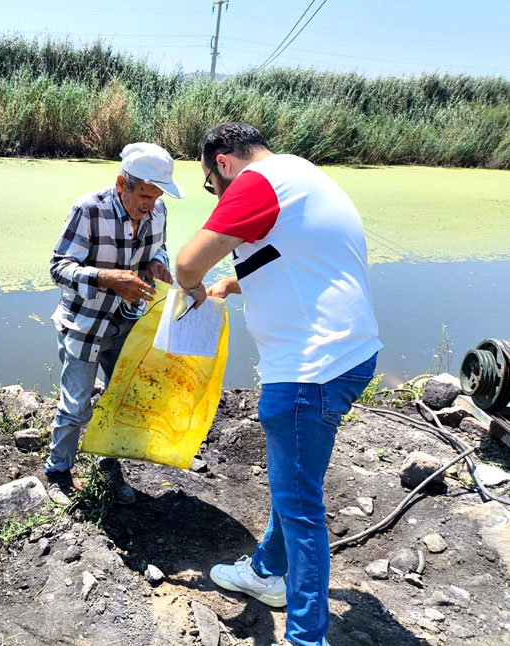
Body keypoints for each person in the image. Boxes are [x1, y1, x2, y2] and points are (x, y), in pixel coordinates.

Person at [175, 122, 382, 646]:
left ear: (222, 162)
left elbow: (185, 263)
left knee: (302, 508)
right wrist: (230, 282)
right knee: (295, 483)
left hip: (308, 370)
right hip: (352, 354)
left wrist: (196, 286)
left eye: (209, 181)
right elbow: (295, 254)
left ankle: (306, 637)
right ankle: (267, 572)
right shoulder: (303, 174)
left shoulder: (255, 183)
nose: (216, 192)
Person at [46, 142, 184, 505]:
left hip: (129, 324)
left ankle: (109, 466)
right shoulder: (88, 210)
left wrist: (157, 262)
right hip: (85, 323)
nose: (149, 205)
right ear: (122, 183)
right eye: (144, 195)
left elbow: (159, 248)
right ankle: (57, 471)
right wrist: (107, 279)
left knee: (121, 398)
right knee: (76, 403)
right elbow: (59, 268)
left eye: (156, 197)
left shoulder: (158, 210)